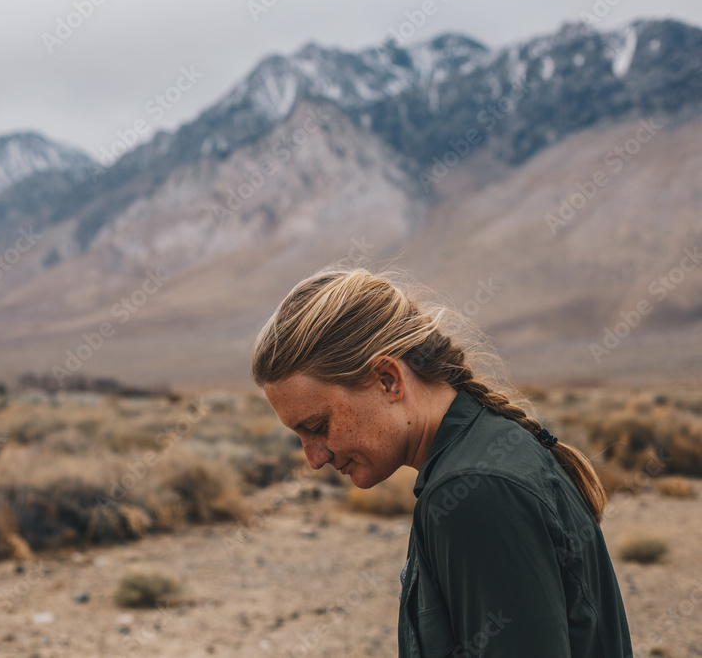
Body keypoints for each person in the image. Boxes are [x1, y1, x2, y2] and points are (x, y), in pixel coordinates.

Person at [251, 267, 633, 658]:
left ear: (388, 379)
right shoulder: (484, 456)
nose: (314, 458)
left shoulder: (475, 492)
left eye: (318, 425)